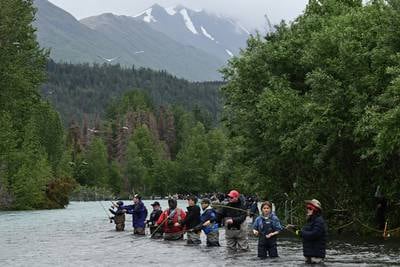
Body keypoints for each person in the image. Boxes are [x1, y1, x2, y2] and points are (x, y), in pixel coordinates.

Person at [289, 199, 327, 264]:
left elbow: (313, 235)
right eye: (307, 208)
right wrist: (294, 230)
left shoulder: (319, 221)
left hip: (316, 257)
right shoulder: (309, 221)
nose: (308, 210)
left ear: (316, 210)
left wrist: (301, 232)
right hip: (308, 256)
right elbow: (302, 235)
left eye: (310, 208)